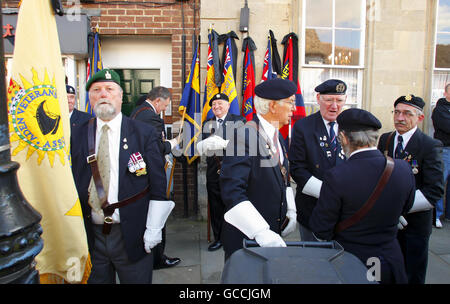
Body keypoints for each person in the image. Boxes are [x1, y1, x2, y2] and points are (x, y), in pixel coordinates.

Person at [71, 69, 174, 284]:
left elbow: (157, 183)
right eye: (96, 90)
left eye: (110, 89)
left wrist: (154, 229)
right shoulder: (78, 133)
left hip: (133, 235)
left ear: (120, 96)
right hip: (91, 235)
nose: (103, 94)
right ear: (89, 98)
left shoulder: (143, 133)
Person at [309, 108, 415, 284]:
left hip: (352, 262)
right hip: (390, 260)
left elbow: (321, 228)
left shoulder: (337, 176)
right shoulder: (403, 169)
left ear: (343, 138)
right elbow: (407, 207)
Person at [220, 78, 298, 260]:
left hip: (271, 232)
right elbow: (232, 191)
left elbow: (283, 176)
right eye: (291, 102)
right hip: (247, 240)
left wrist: (290, 210)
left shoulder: (276, 135)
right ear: (272, 106)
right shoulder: (244, 136)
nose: (294, 108)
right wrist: (261, 232)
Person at [378, 94, 444, 284]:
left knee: (412, 275)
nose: (400, 118)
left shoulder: (430, 146)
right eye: (397, 112)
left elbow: (434, 191)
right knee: (387, 273)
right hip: (387, 225)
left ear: (420, 118)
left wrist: (398, 209)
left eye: (407, 114)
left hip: (414, 225)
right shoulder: (386, 140)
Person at [129, 86, 181, 269]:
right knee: (157, 212)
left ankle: (149, 255)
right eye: (164, 106)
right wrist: (174, 142)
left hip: (138, 173)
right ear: (157, 100)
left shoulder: (137, 111)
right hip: (150, 173)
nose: (164, 110)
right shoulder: (150, 117)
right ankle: (157, 258)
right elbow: (157, 147)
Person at [289, 79, 347, 241]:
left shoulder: (352, 126)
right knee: (312, 259)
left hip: (345, 212)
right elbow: (297, 168)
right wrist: (329, 193)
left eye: (339, 101)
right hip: (312, 209)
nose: (334, 106)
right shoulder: (303, 127)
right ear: (318, 99)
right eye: (329, 100)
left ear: (345, 100)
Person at [196, 93, 246, 251]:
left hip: (234, 170)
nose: (216, 107)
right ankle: (219, 238)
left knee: (234, 204)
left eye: (220, 103)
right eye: (214, 104)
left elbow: (244, 144)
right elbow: (203, 147)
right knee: (216, 206)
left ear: (228, 105)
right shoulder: (207, 123)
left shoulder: (238, 121)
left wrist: (225, 144)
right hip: (213, 170)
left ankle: (235, 235)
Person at [431, 83, 450, 227]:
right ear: (446, 93)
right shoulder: (440, 109)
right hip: (445, 150)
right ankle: (436, 215)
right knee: (440, 182)